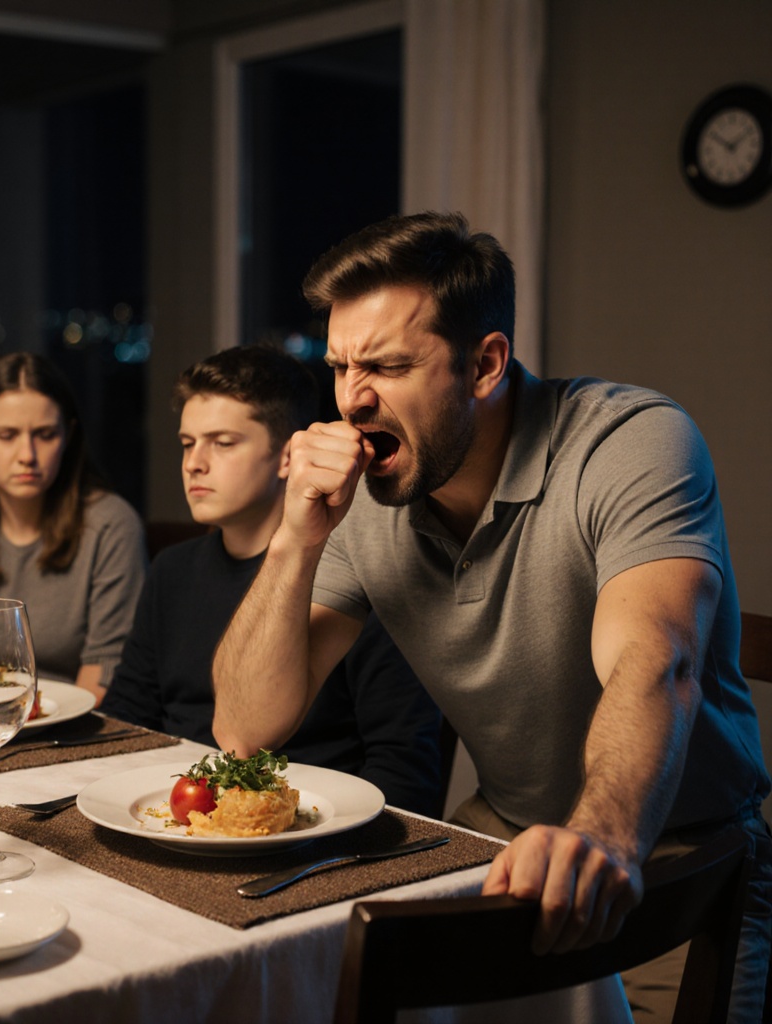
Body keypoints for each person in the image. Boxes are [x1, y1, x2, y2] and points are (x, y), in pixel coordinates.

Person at [211, 212, 770, 1022]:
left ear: (485, 364)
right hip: (501, 839)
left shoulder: (632, 442)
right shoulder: (362, 506)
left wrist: (603, 836)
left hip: (675, 852)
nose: (351, 399)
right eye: (339, 366)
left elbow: (658, 659)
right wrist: (295, 535)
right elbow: (243, 727)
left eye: (388, 366)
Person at [100, 344, 444, 816]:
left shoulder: (358, 573)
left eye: (222, 443)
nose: (194, 463)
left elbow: (406, 770)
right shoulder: (172, 570)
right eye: (187, 443)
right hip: (167, 816)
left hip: (307, 830)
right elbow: (125, 723)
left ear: (289, 457)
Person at [0, 351, 146, 703]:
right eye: (7, 435)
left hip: (66, 729)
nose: (27, 454)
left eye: (45, 434)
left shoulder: (111, 526)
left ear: (67, 436)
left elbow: (101, 681)